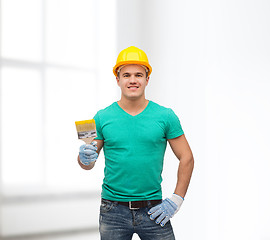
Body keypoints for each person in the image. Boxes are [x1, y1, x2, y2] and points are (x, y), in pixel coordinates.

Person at [77, 46, 194, 240]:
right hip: (112, 211)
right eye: (127, 75)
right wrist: (84, 158)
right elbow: (88, 164)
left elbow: (187, 157)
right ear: (118, 79)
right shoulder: (102, 117)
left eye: (139, 75)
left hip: (154, 209)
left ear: (147, 79)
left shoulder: (165, 116)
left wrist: (177, 200)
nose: (133, 80)